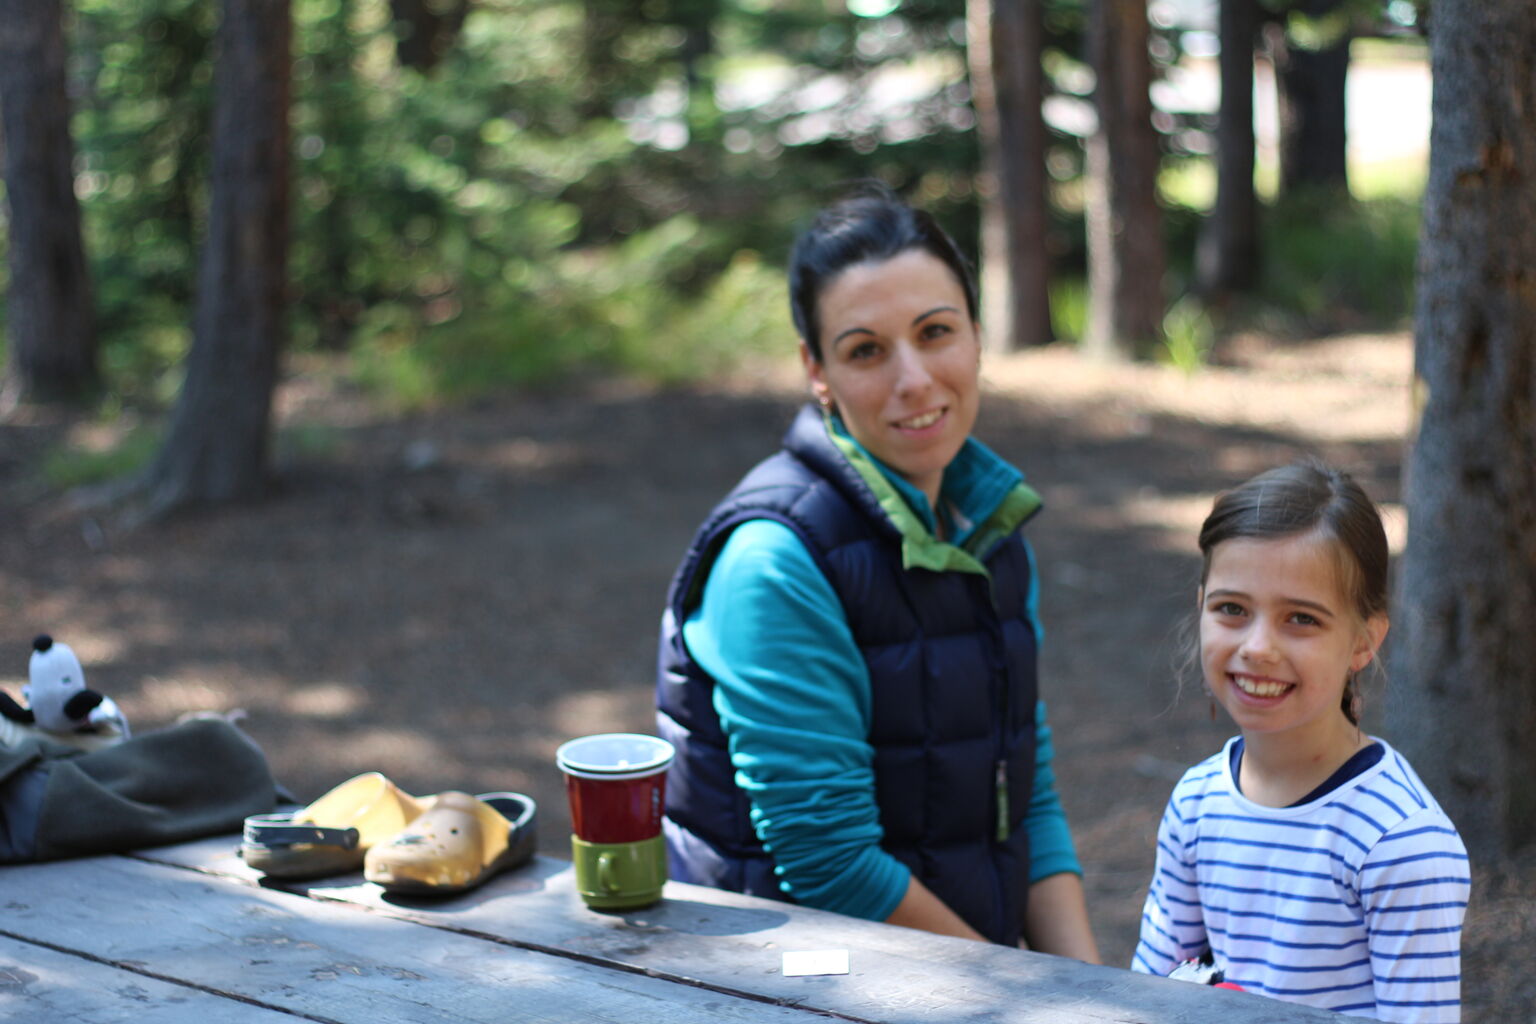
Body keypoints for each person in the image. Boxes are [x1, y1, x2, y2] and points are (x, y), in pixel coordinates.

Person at [654, 188, 1099, 957]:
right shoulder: (775, 561)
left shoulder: (984, 521)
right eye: (866, 350)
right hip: (782, 989)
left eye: (936, 333)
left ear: (977, 335)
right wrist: (1032, 997)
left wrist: (1091, 992)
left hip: (958, 982)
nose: (916, 379)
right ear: (815, 370)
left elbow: (1025, 792)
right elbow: (829, 864)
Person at [1132, 462, 1470, 1021]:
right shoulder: (1196, 803)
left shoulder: (1400, 843)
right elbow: (1151, 996)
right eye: (1232, 609)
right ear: (1201, 609)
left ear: (1364, 641)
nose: (1258, 647)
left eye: (1301, 619)